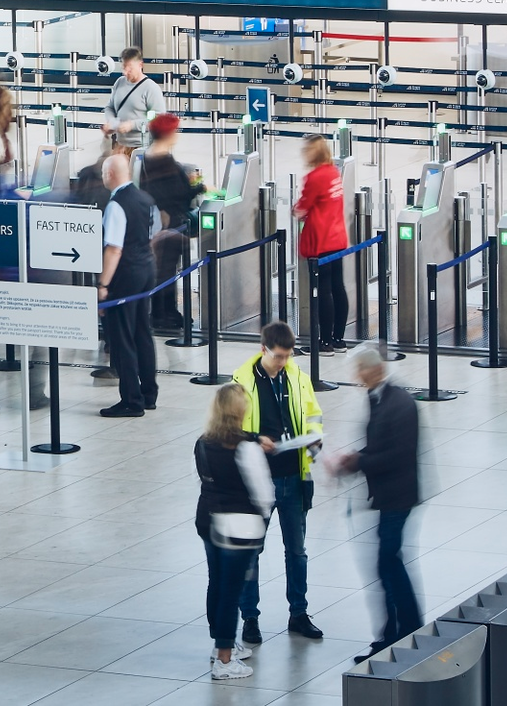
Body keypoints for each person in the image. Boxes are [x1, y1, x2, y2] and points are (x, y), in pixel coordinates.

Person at [328, 343, 422, 659]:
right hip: (388, 496)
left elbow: (398, 454)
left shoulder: (400, 405)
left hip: (398, 497)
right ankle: (399, 631)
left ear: (375, 370)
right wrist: (353, 460)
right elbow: (380, 447)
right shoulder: (380, 398)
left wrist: (357, 462)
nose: (357, 378)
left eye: (361, 371)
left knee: (387, 562)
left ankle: (402, 632)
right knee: (389, 563)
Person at [235, 321, 326, 645]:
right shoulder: (242, 381)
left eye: (287, 356)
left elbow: (313, 415)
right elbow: (227, 429)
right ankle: (250, 618)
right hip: (259, 480)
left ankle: (298, 613)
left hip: (293, 475)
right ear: (263, 350)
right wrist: (254, 439)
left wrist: (314, 441)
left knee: (297, 551)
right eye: (278, 356)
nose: (283, 362)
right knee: (251, 552)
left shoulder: (298, 378)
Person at [197, 382, 275, 679]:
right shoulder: (246, 450)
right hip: (239, 526)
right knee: (232, 589)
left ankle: (219, 645)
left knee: (216, 582)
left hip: (208, 519)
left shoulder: (203, 441)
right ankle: (226, 660)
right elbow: (263, 493)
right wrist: (264, 518)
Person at [97, 153, 161, 418]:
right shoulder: (145, 199)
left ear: (110, 175)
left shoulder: (116, 205)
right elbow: (154, 230)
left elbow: (114, 249)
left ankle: (131, 401)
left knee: (122, 337)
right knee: (142, 332)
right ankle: (148, 393)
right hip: (146, 270)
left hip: (125, 275)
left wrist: (103, 284)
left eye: (104, 173)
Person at [139, 114, 200, 330]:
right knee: (166, 269)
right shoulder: (162, 160)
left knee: (166, 268)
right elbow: (178, 194)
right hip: (171, 224)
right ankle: (163, 314)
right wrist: (197, 186)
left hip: (160, 223)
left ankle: (166, 311)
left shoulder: (148, 156)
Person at [294, 135, 351, 351]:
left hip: (321, 240)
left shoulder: (315, 177)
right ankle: (338, 339)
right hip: (337, 237)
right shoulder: (333, 173)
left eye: (307, 150)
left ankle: (324, 342)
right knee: (338, 287)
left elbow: (302, 207)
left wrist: (296, 210)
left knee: (323, 290)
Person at [104, 47, 165, 151]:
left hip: (141, 146)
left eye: (130, 68)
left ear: (140, 65)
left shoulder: (150, 88)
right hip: (119, 144)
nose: (125, 72)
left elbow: (157, 119)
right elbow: (110, 107)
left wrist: (132, 125)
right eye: (123, 68)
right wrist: (111, 121)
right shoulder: (119, 82)